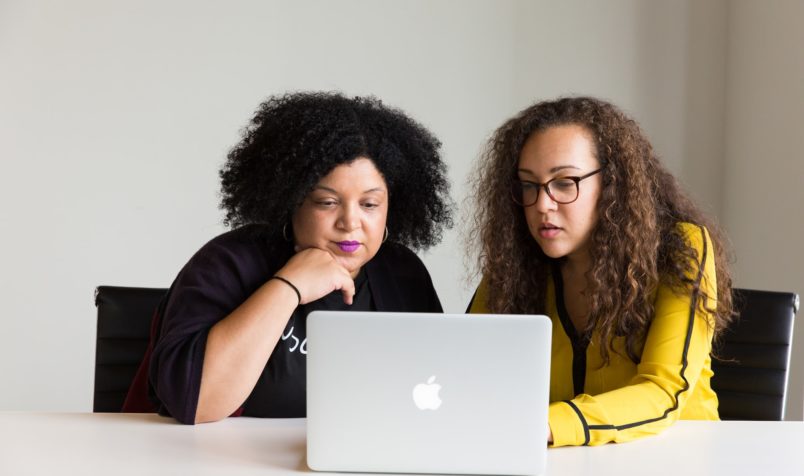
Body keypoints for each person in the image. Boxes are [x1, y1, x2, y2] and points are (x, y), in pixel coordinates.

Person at [123, 92, 453, 424]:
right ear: (291, 200)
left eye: (369, 204)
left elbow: (442, 388)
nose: (350, 222)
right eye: (327, 202)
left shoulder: (402, 272)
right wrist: (289, 285)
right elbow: (194, 404)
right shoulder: (228, 263)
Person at [467, 96, 734, 446]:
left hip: (676, 459)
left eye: (564, 182)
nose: (542, 204)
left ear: (612, 184)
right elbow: (466, 367)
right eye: (529, 185)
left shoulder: (679, 248)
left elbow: (663, 391)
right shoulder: (517, 260)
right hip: (558, 462)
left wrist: (545, 424)